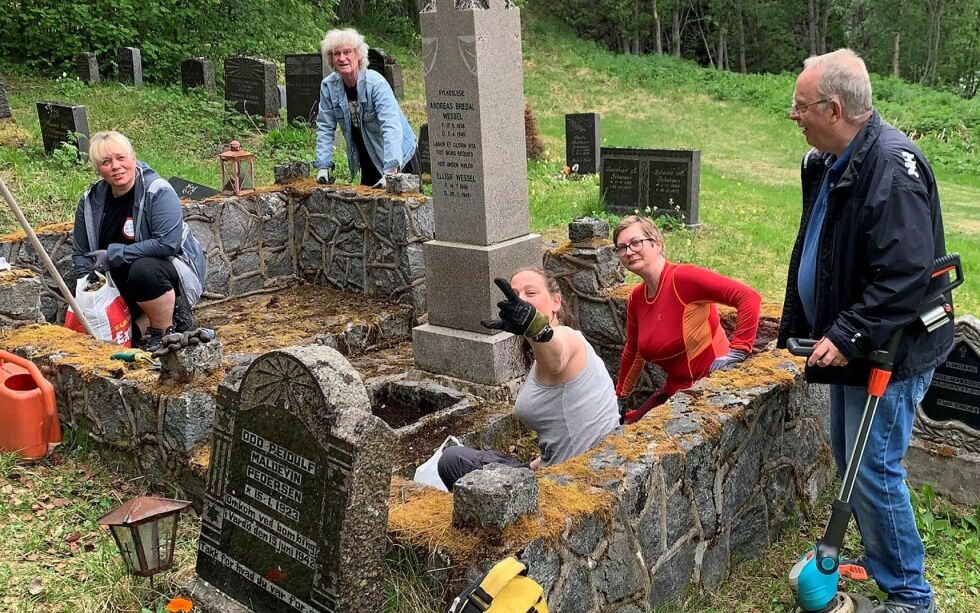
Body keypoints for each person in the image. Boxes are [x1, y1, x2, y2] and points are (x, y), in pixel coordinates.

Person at [777, 49, 952, 613]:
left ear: (833, 108)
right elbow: (825, 249)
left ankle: (909, 596)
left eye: (800, 107)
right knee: (851, 457)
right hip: (854, 343)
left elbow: (905, 275)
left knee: (873, 471)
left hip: (889, 351)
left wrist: (848, 332)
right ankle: (884, 566)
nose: (793, 115)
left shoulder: (891, 169)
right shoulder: (829, 161)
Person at [437, 268, 621, 490]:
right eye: (516, 295)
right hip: (559, 470)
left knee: (452, 460)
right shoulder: (540, 352)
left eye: (531, 293)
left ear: (556, 302)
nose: (522, 300)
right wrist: (531, 467)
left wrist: (535, 327)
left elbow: (557, 360)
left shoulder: (567, 337)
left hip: (573, 484)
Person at [615, 215, 761, 424]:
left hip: (710, 393)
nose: (629, 251)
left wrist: (738, 351)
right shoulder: (637, 297)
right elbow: (634, 350)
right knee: (629, 430)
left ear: (657, 243)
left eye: (636, 243)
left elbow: (748, 297)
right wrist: (620, 396)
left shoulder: (683, 278)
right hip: (675, 391)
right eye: (622, 248)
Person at [71, 131, 206, 352]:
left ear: (133, 157)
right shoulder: (89, 202)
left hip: (168, 270)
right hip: (117, 280)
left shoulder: (158, 191)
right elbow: (80, 251)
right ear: (98, 169)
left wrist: (113, 255)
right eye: (106, 162)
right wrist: (89, 285)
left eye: (120, 158)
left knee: (144, 269)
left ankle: (164, 331)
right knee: (123, 340)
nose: (115, 166)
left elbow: (167, 244)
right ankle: (139, 323)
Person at [314, 28, 419, 187]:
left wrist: (391, 169)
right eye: (336, 54)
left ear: (358, 55)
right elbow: (325, 126)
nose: (342, 58)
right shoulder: (329, 87)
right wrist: (323, 165)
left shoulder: (376, 84)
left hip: (399, 156)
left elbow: (391, 126)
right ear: (331, 58)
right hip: (368, 155)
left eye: (347, 52)